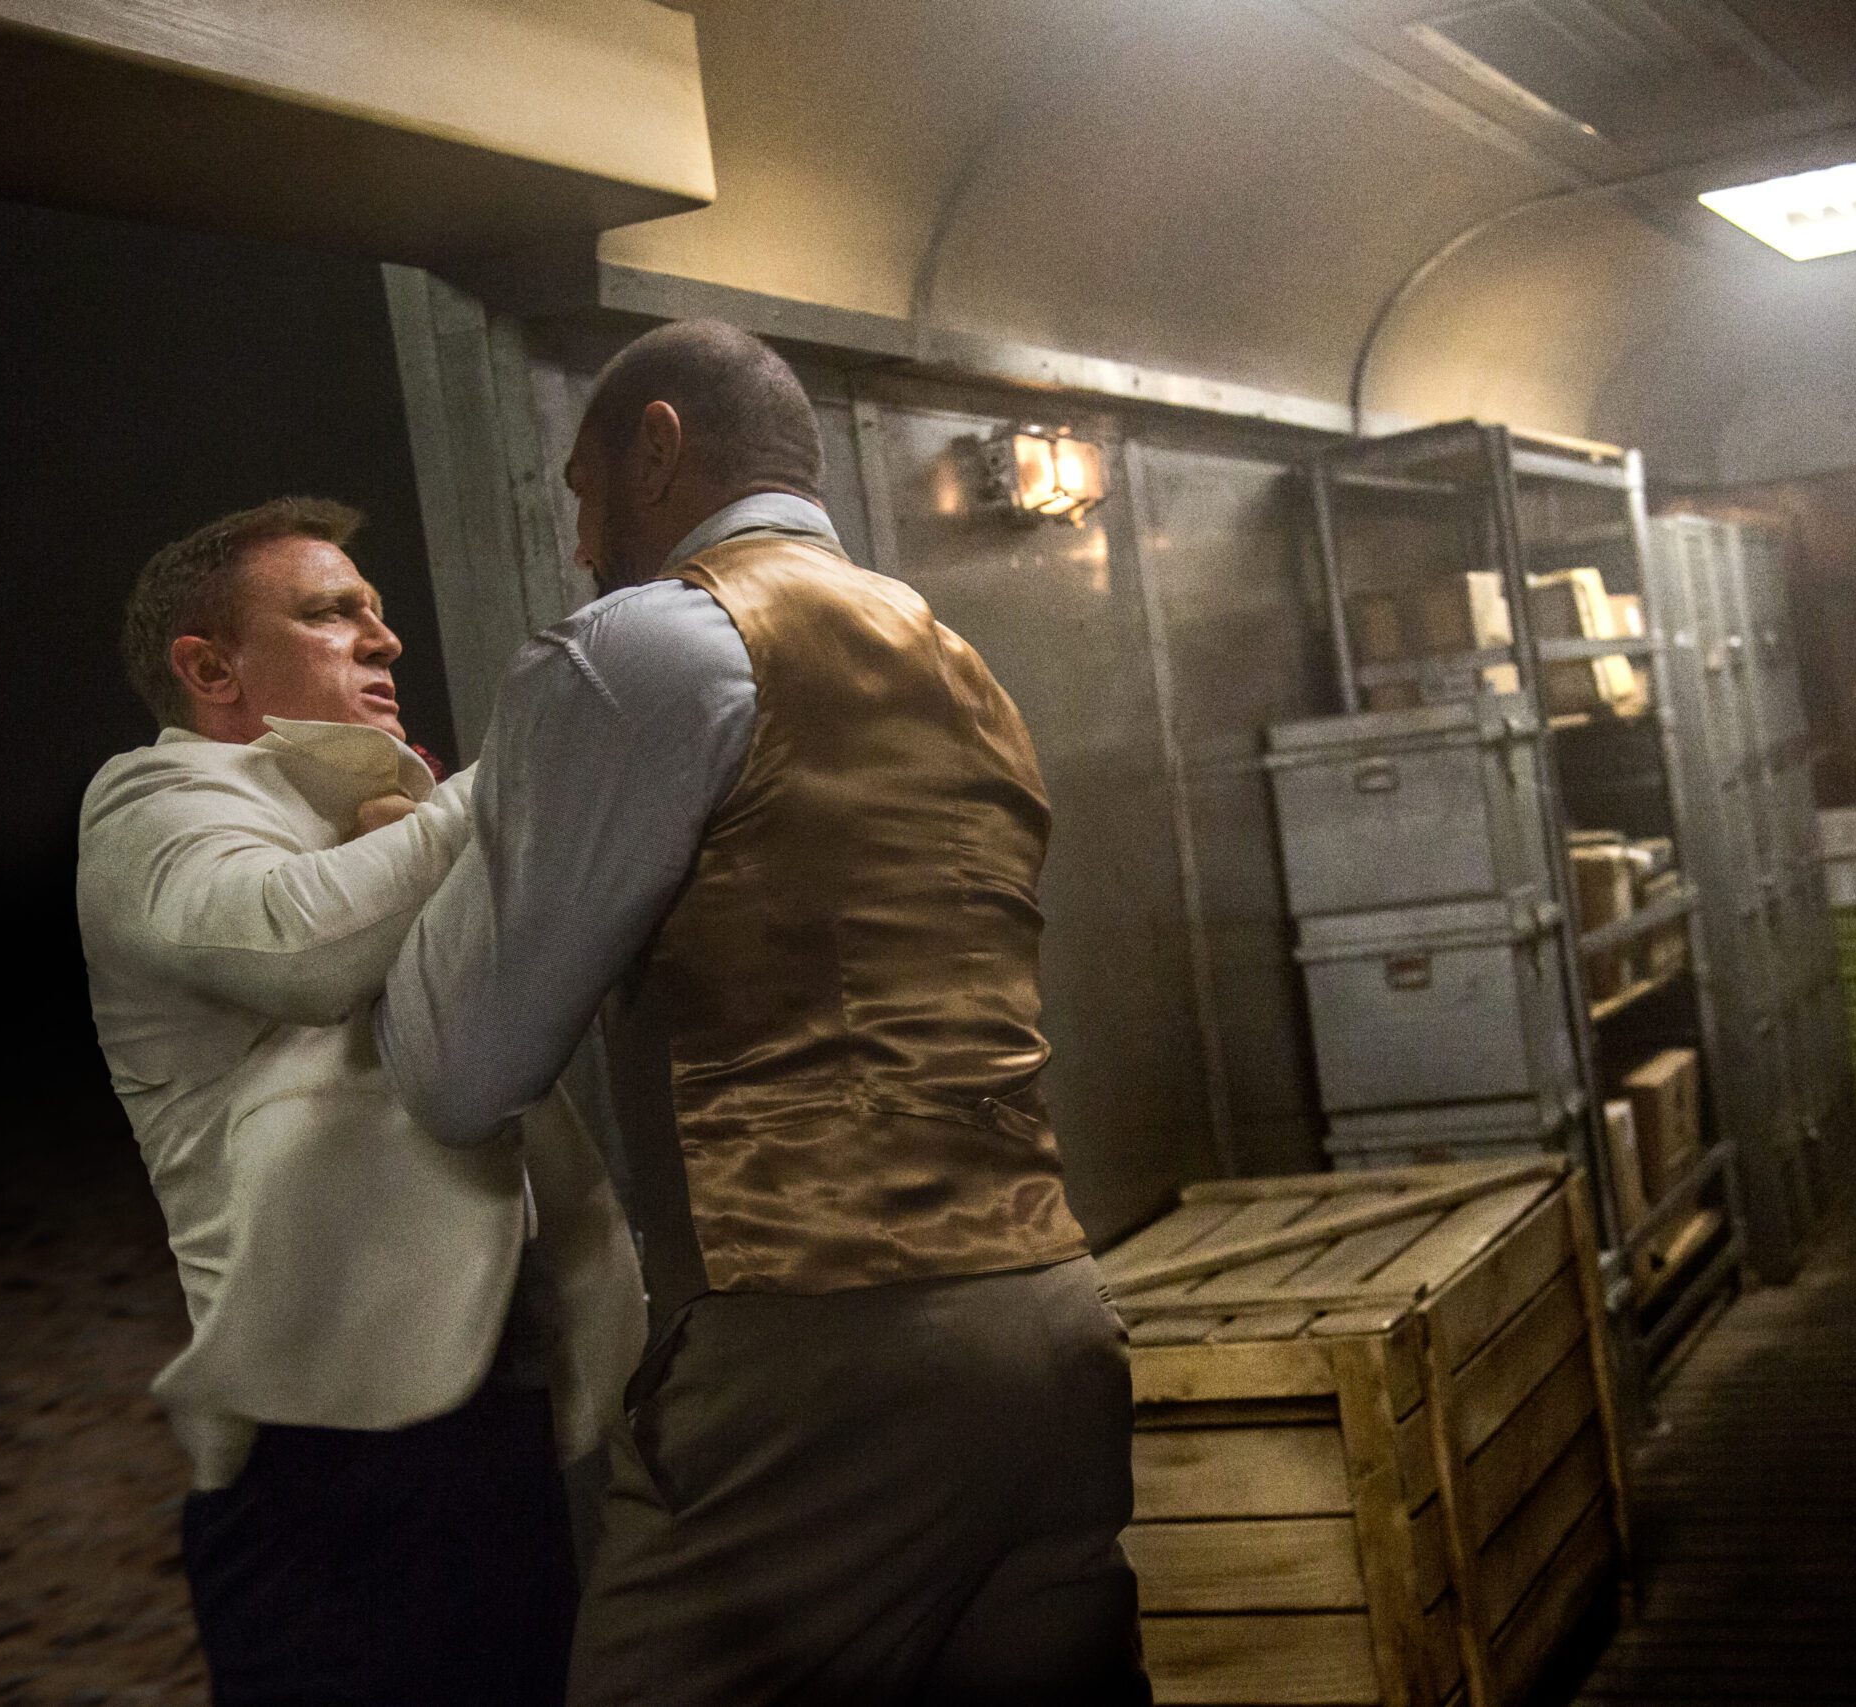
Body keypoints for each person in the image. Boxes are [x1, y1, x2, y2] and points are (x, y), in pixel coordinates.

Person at [377, 320, 1150, 1707]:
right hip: (1049, 1321)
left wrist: (449, 828)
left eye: (582, 493)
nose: (580, 543)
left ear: (658, 447)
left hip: (815, 1352)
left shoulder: (640, 651)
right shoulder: (961, 668)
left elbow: (458, 1067)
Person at [74, 497, 646, 1706]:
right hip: (322, 1459)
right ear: (209, 668)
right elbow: (294, 944)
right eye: (331, 613)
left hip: (481, 1419)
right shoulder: (153, 804)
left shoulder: (382, 819)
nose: (382, 639)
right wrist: (516, 775)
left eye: (377, 612)